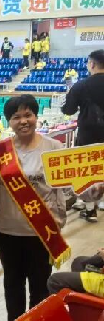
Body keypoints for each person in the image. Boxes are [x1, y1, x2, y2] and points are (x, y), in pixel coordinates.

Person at [0, 95, 67, 321]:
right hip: (7, 229)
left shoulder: (54, 148)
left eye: (28, 115)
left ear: (36, 116)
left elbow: (69, 185)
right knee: (13, 284)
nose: (23, 121)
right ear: (9, 121)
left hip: (43, 230)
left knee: (40, 286)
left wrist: (93, 190)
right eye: (16, 117)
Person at [63, 50, 104, 222]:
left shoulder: (81, 85)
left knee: (86, 172)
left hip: (88, 135)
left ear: (92, 64)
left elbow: (68, 110)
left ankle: (90, 209)